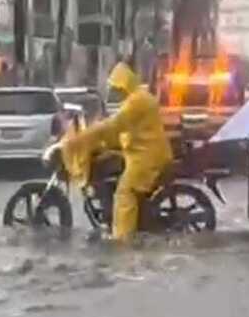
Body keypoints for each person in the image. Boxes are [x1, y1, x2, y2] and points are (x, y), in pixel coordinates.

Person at [58, 62, 173, 242]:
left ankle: (122, 238)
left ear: (125, 83)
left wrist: (88, 134)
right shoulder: (136, 98)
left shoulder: (137, 101)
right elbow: (122, 129)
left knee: (124, 192)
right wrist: (104, 140)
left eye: (118, 87)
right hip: (140, 151)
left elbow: (116, 124)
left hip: (146, 156)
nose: (116, 91)